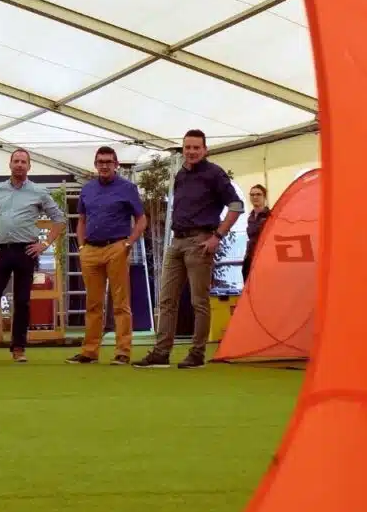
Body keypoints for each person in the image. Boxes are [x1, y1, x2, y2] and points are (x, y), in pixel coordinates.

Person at [136, 130, 243, 369]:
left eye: (196, 147)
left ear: (205, 150)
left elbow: (236, 206)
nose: (191, 152)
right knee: (166, 300)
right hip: (176, 242)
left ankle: (197, 354)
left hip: (200, 241)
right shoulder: (181, 174)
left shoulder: (214, 174)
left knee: (199, 301)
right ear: (183, 149)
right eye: (188, 147)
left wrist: (217, 236)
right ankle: (161, 353)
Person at [0, 149, 64, 363]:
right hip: (0, 251)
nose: (19, 165)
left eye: (23, 162)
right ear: (10, 164)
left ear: (29, 166)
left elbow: (59, 219)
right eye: (16, 161)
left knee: (22, 301)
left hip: (26, 251)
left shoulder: (39, 192)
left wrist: (44, 244)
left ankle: (18, 347)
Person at [68, 146, 147, 366]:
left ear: (116, 164)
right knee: (93, 304)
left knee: (121, 303)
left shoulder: (128, 188)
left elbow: (141, 219)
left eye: (108, 162)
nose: (104, 166)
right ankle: (89, 351)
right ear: (95, 164)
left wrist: (128, 243)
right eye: (100, 162)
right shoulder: (87, 189)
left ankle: (123, 352)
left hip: (116, 248)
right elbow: (81, 220)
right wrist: (81, 247)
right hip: (90, 250)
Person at [242, 183, 270, 284]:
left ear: (264, 197)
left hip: (264, 257)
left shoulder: (270, 216)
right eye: (252, 195)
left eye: (258, 194)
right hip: (250, 256)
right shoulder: (250, 217)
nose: (255, 197)